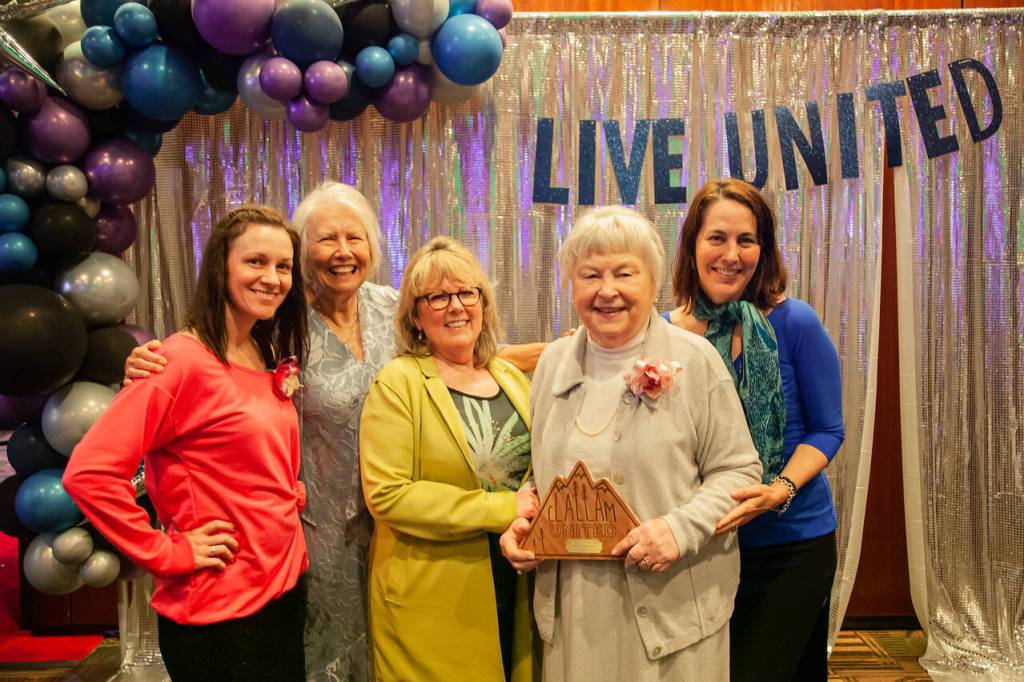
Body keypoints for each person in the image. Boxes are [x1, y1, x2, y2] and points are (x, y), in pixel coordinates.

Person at [124, 182, 546, 681]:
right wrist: (150, 361)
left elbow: (466, 353)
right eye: (326, 240)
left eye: (355, 237)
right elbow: (214, 360)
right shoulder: (276, 321)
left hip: (408, 527)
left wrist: (568, 352)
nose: (343, 252)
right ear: (302, 251)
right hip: (321, 531)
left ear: (372, 245)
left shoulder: (394, 307)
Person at [500, 206, 762, 681]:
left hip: (673, 610)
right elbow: (545, 474)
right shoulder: (553, 364)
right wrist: (525, 522)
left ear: (652, 281)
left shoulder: (695, 360)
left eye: (624, 273)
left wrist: (679, 530)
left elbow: (739, 472)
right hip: (577, 615)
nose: (607, 290)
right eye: (590, 275)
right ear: (573, 285)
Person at [63, 205, 308, 681]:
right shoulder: (177, 361)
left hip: (282, 589)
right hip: (220, 608)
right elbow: (89, 473)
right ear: (221, 267)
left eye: (283, 266)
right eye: (255, 262)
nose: (273, 278)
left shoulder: (262, 350)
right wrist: (166, 552)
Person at [665, 178, 845, 682]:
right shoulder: (662, 334)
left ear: (762, 249)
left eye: (746, 240)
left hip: (793, 542)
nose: (731, 254)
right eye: (716, 238)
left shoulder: (796, 323)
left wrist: (779, 488)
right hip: (705, 549)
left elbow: (828, 430)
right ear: (692, 246)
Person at [359, 236, 539, 681]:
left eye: (466, 292)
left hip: (515, 579)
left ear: (483, 303)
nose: (456, 306)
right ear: (416, 316)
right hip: (433, 598)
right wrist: (503, 509)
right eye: (437, 297)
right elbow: (388, 495)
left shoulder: (509, 376)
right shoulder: (397, 383)